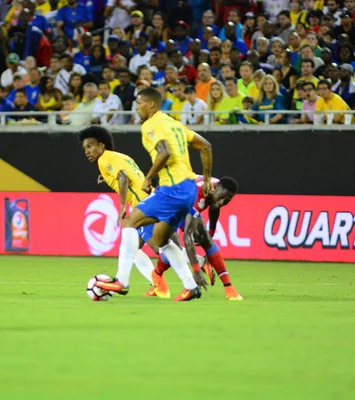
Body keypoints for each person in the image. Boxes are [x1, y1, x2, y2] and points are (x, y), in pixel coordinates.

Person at [94, 87, 214, 302]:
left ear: (151, 104)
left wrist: (149, 177)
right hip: (188, 189)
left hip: (172, 188)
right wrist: (205, 179)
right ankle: (190, 286)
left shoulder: (151, 124)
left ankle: (122, 281)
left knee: (130, 221)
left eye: (139, 102)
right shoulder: (175, 124)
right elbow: (206, 146)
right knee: (162, 240)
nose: (136, 106)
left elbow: (164, 152)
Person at [78, 126, 163, 296]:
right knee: (134, 249)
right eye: (85, 148)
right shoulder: (118, 156)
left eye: (90, 146)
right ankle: (157, 283)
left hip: (144, 206)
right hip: (153, 198)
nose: (87, 151)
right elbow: (130, 174)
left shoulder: (104, 160)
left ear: (102, 145)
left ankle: (196, 263)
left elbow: (123, 177)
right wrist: (108, 177)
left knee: (162, 248)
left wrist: (122, 206)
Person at [177, 175, 243, 300]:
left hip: (183, 198)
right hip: (172, 203)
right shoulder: (200, 194)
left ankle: (229, 287)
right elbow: (187, 236)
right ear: (217, 188)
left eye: (228, 200)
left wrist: (211, 233)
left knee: (205, 237)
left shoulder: (216, 189)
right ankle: (160, 279)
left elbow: (215, 206)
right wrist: (196, 271)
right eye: (223, 197)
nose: (224, 202)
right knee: (165, 244)